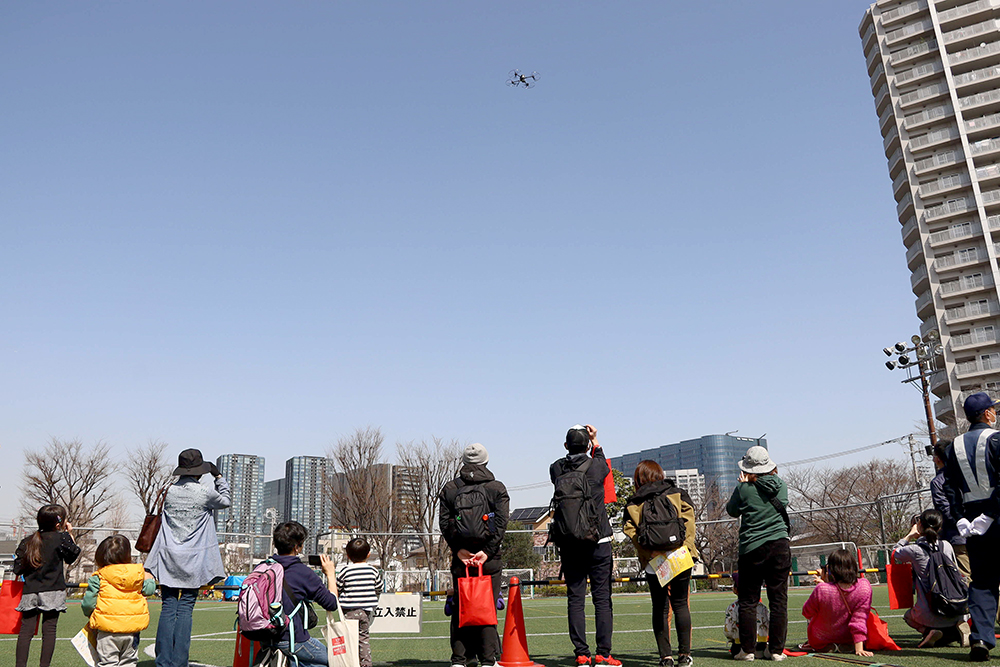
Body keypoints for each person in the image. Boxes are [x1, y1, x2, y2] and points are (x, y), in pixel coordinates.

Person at [143, 448, 231, 667]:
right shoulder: (204, 493)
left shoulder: (168, 491)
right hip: (193, 559)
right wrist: (219, 477)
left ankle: (163, 661)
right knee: (186, 607)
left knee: (168, 607)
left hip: (168, 556)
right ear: (200, 471)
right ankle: (180, 661)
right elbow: (226, 501)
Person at [549, 424, 620, 666]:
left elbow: (561, 466)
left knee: (575, 598)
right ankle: (603, 654)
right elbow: (599, 456)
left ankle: (581, 653)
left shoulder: (556, 468)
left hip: (569, 542)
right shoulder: (597, 466)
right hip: (598, 540)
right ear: (588, 445)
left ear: (566, 446)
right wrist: (596, 440)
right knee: (602, 598)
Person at [439, 443, 510, 667]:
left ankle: (460, 659)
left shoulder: (450, 488)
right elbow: (501, 524)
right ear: (486, 461)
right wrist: (486, 553)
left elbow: (444, 523)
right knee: (486, 607)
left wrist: (458, 549)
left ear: (463, 462)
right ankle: (489, 660)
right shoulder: (496, 488)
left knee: (461, 606)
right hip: (488, 560)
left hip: (461, 559)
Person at [623, 460, 698, 667]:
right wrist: (687, 548)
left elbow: (630, 530)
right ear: (660, 474)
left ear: (638, 479)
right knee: (681, 604)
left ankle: (665, 657)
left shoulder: (634, 501)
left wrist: (648, 551)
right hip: (680, 556)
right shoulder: (676, 492)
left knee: (660, 607)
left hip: (654, 560)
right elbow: (689, 521)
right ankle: (685, 655)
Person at [943, 392, 1000, 661]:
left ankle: (981, 639)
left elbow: (949, 487)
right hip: (995, 516)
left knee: (983, 581)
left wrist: (961, 519)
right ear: (987, 414)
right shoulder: (997, 438)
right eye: (993, 409)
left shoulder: (953, 446)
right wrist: (990, 513)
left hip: (972, 525)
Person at [726, 446, 790, 662]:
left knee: (748, 600)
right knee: (779, 600)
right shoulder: (781, 485)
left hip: (751, 548)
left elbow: (732, 511)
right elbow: (783, 505)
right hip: (780, 546)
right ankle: (777, 650)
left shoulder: (743, 489)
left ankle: (747, 650)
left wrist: (742, 485)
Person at [13, 504, 81, 667]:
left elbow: (17, 567)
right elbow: (72, 556)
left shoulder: (28, 541)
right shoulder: (62, 538)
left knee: (25, 632)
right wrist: (69, 534)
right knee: (49, 631)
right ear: (59, 524)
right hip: (53, 591)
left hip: (31, 591)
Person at [892, 509, 971, 648]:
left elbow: (895, 553)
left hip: (930, 611)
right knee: (954, 619)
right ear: (940, 527)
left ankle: (929, 631)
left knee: (908, 617)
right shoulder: (947, 545)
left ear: (919, 525)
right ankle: (958, 626)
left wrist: (909, 536)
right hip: (957, 608)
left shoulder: (915, 550)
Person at [265, 521, 340, 666]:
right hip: (293, 639)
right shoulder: (301, 572)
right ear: (297, 547)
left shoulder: (264, 566)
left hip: (265, 636)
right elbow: (331, 603)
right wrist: (330, 574)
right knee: (336, 661)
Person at [82, 535, 158, 667]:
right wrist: (149, 578)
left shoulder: (99, 576)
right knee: (129, 662)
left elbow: (88, 603)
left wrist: (91, 615)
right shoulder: (138, 574)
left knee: (108, 663)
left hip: (107, 630)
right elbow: (150, 589)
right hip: (131, 629)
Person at [801, 548, 873, 657]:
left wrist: (824, 581)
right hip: (849, 637)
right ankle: (849, 645)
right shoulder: (864, 587)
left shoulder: (822, 589)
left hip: (821, 637)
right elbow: (859, 619)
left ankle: (825, 645)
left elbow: (806, 612)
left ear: (832, 569)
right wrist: (859, 649)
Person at [336, 537, 384, 667]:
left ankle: (349, 663)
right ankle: (366, 664)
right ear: (368, 554)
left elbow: (338, 588)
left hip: (348, 612)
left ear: (348, 556)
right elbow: (379, 587)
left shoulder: (345, 570)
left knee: (348, 639)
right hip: (365, 611)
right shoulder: (373, 570)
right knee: (363, 639)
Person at [930, 439, 970, 578]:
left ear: (938, 459)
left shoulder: (938, 482)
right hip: (982, 531)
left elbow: (944, 510)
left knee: (965, 578)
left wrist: (962, 523)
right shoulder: (968, 474)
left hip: (957, 537)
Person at [723, 573, 769, 658]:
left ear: (736, 590)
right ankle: (761, 650)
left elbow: (728, 630)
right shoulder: (762, 607)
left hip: (740, 644)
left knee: (735, 648)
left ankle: (745, 652)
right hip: (761, 643)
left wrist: (731, 638)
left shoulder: (732, 607)